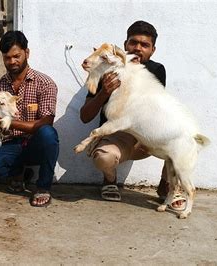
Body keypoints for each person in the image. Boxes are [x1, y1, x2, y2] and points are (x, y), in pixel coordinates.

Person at [79, 21, 184, 209]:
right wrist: (104, 92)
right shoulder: (103, 68)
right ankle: (109, 181)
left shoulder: (156, 70)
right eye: (133, 42)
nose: (138, 48)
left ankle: (166, 186)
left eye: (145, 45)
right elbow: (85, 116)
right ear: (124, 45)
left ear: (152, 50)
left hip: (144, 139)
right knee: (104, 156)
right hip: (118, 137)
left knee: (182, 142)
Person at [0, 31, 59, 207]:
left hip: (34, 144)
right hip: (8, 145)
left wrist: (11, 123)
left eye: (16, 56)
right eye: (7, 58)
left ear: (26, 53)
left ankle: (43, 187)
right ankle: (18, 173)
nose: (12, 62)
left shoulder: (44, 83)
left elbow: (46, 121)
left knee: (48, 133)